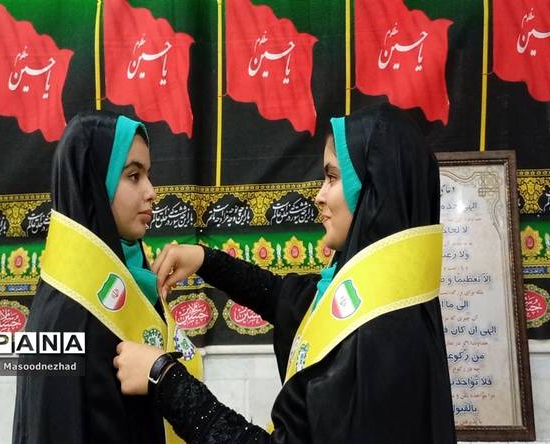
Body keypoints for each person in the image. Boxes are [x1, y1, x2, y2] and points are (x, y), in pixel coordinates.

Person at [114, 104, 457, 443]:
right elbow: (288, 299)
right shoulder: (381, 298)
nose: (320, 196)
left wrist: (166, 380)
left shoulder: (374, 340)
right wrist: (206, 260)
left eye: (333, 178)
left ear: (371, 192)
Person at [13, 111, 201, 444]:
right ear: (94, 185)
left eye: (148, 175)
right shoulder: (69, 315)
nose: (151, 191)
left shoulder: (130, 279)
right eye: (133, 176)